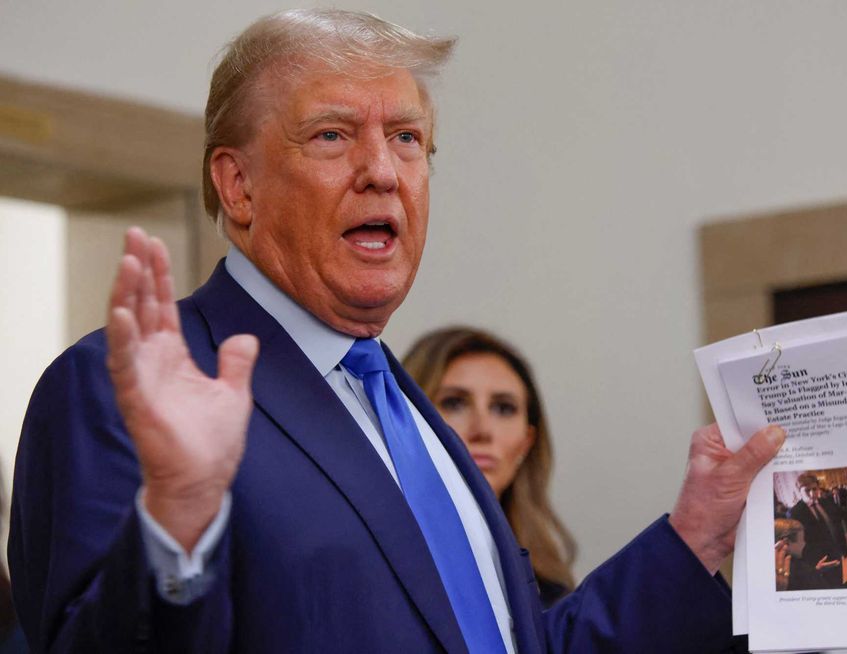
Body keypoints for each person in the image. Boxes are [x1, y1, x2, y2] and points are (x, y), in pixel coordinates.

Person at [9, 9, 785, 653]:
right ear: (237, 185)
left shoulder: (411, 414)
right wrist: (176, 519)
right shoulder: (113, 386)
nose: (382, 170)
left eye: (407, 139)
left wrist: (693, 538)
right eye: (332, 136)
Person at [402, 326, 576, 607]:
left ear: (526, 441)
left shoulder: (552, 595)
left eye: (503, 408)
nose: (483, 430)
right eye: (454, 402)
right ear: (404, 421)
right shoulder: (364, 562)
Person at [788, 474, 847, 588]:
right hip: (819, 562)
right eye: (807, 490)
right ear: (799, 492)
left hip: (836, 553)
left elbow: (843, 515)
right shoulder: (795, 513)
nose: (812, 494)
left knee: (838, 585)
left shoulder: (826, 502)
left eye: (814, 489)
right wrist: (811, 566)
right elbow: (796, 543)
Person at [773, 519, 847, 591]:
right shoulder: (799, 570)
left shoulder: (785, 567)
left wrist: (816, 570)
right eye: (802, 539)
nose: (804, 543)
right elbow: (830, 597)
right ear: (787, 542)